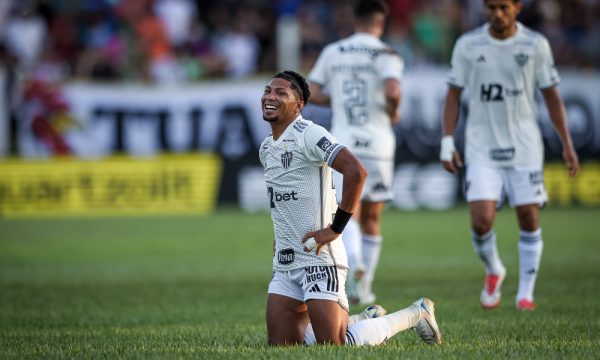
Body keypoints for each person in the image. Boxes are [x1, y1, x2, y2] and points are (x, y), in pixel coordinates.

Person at [260, 70, 442, 345]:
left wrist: (336, 228)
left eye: (281, 93)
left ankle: (416, 313)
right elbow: (283, 197)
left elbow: (356, 171)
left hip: (319, 258)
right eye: (267, 91)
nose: (270, 97)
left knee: (335, 345)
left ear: (299, 105)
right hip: (286, 262)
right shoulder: (266, 147)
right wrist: (281, 235)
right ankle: (364, 318)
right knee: (283, 345)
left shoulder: (309, 134)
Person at [440, 0, 580, 311]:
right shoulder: (468, 44)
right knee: (480, 220)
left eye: (503, 7)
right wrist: (447, 141)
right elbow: (452, 95)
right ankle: (494, 270)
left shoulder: (535, 44)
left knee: (529, 217)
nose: (496, 13)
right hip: (481, 148)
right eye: (491, 7)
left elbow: (552, 97)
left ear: (517, 7)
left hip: (525, 148)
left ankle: (525, 294)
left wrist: (567, 144)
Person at [307, 0, 403, 306]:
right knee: (373, 216)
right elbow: (392, 91)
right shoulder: (388, 54)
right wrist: (394, 110)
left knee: (347, 211)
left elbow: (310, 90)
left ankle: (355, 264)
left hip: (344, 144)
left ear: (355, 19)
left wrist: (337, 100)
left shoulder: (335, 51)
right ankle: (366, 285)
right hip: (379, 144)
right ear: (380, 22)